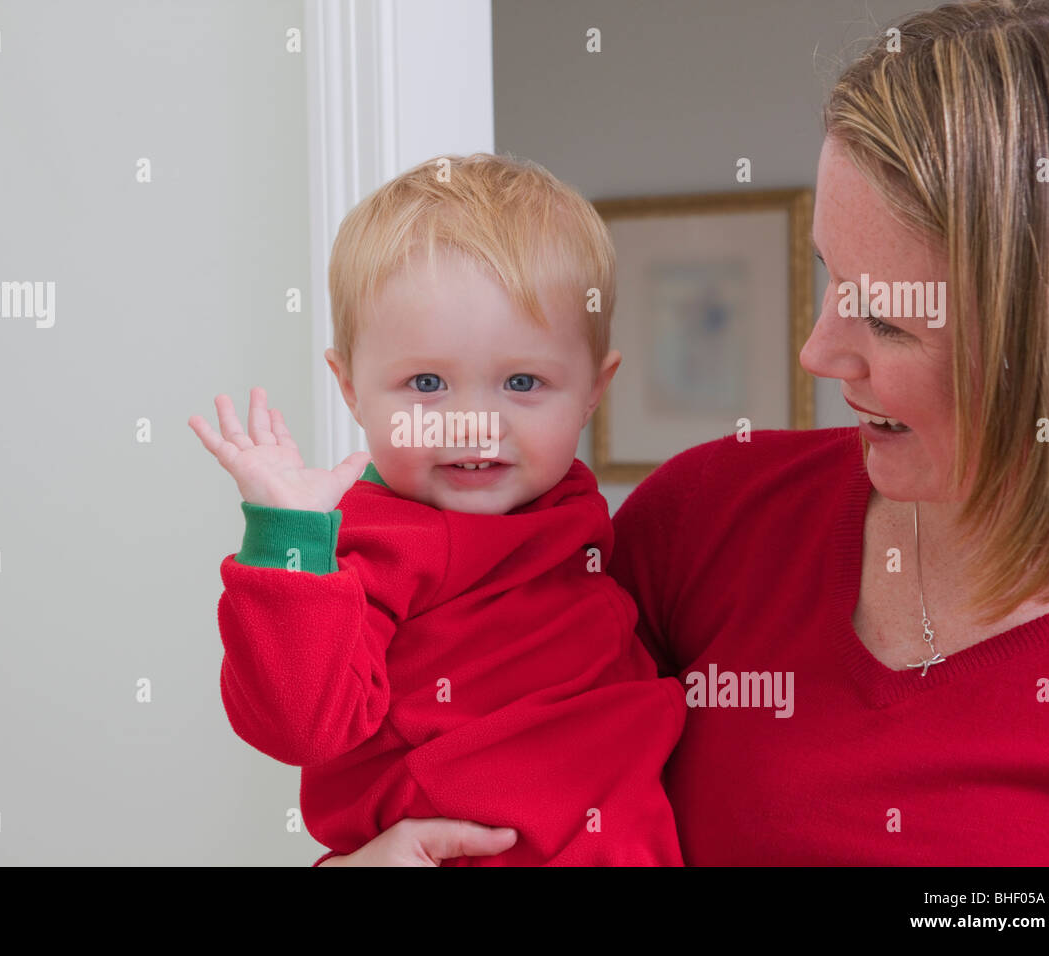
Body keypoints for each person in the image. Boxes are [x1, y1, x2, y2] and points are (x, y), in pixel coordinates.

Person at [318, 0, 1049, 866]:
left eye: (885, 320)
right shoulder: (713, 516)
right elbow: (442, 754)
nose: (816, 351)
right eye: (830, 279)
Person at [190, 153, 688, 865]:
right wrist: (288, 539)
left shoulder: (575, 509)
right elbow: (299, 726)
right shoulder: (379, 542)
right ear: (351, 387)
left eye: (522, 381)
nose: (472, 425)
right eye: (427, 382)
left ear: (593, 389)